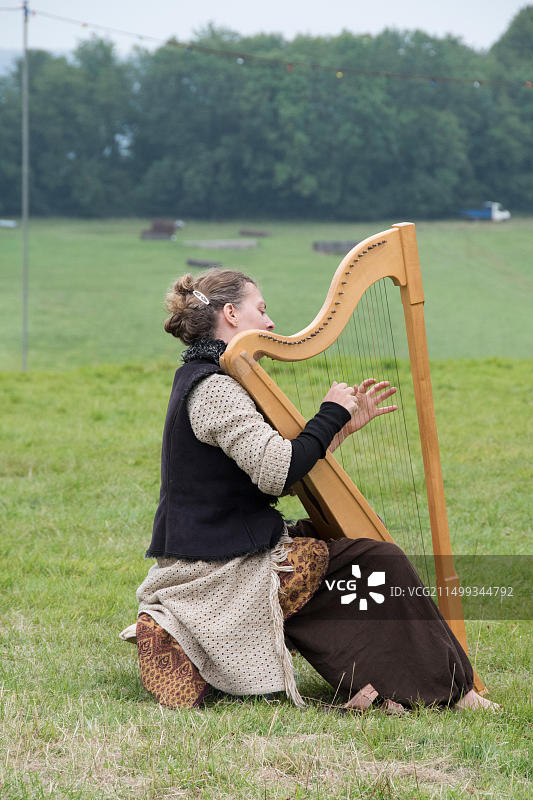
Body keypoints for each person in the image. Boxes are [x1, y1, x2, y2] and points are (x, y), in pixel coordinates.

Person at [120, 269, 497, 713]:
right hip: (223, 564)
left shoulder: (210, 378)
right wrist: (330, 413)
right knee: (377, 561)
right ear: (230, 313)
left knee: (355, 564)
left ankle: (385, 685)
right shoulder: (215, 389)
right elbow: (278, 471)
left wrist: (338, 430)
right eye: (261, 310)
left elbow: (279, 466)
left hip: (234, 542)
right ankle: (447, 690)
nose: (271, 323)